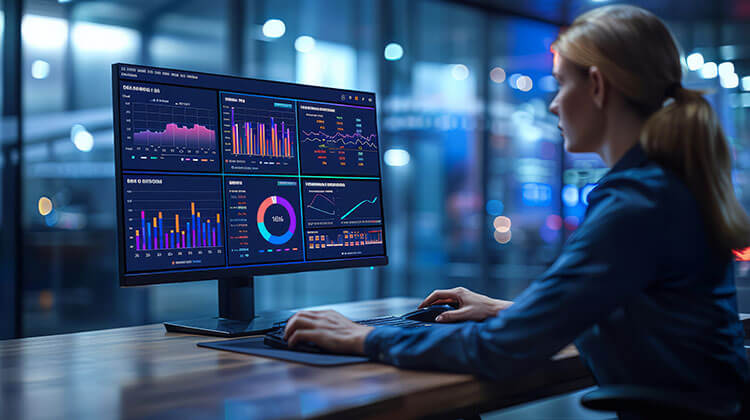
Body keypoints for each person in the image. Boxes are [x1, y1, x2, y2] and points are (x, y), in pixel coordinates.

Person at [283, 4, 750, 403]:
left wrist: (363, 335)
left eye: (560, 84)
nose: (552, 105)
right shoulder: (663, 185)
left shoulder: (636, 205)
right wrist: (505, 309)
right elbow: (638, 314)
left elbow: (499, 352)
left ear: (597, 87)